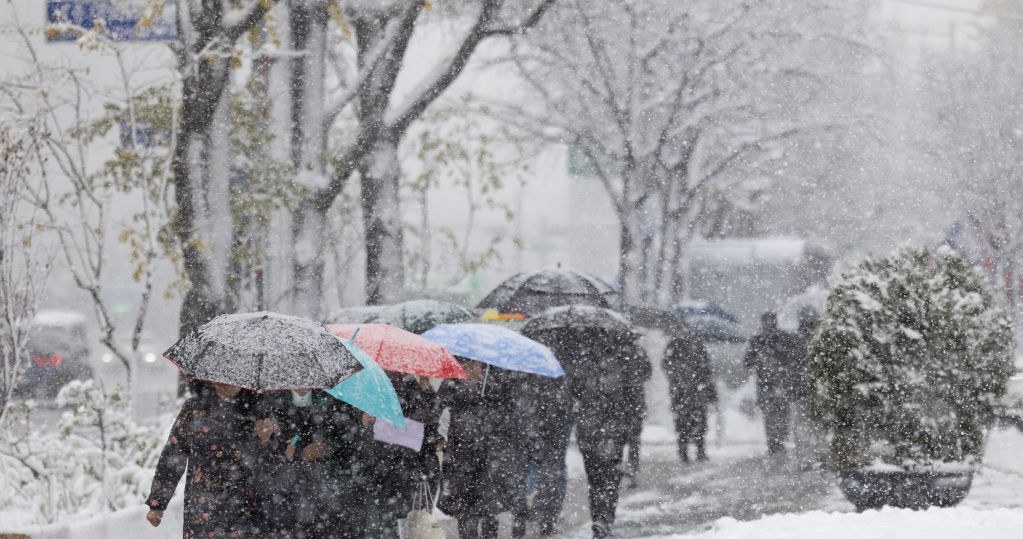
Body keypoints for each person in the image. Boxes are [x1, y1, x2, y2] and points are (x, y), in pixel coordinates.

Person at [145, 381, 262, 537]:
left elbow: (274, 461)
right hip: (202, 511)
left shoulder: (257, 411)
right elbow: (173, 455)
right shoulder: (194, 408)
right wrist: (157, 503)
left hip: (245, 510)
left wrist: (267, 438)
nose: (225, 383)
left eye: (232, 381)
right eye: (220, 377)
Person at [256, 388, 365, 538]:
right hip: (285, 500)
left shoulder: (331, 398)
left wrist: (325, 448)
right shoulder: (271, 402)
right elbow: (262, 458)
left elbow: (346, 437)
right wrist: (267, 443)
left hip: (324, 495)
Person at [437, 359, 524, 539]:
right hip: (462, 455)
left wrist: (490, 417)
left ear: (483, 365)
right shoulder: (453, 383)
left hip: (491, 455)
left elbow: (512, 414)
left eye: (473, 365)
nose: (470, 369)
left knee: (489, 508)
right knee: (466, 510)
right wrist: (437, 436)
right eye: (466, 365)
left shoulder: (498, 382)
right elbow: (437, 409)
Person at [357, 373, 443, 538]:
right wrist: (365, 422)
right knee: (384, 524)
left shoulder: (419, 391)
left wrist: (422, 467)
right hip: (383, 469)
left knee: (402, 523)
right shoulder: (373, 388)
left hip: (403, 470)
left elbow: (427, 431)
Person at [570, 329, 634, 538]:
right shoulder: (622, 360)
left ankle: (600, 517)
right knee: (609, 479)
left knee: (597, 480)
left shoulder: (581, 363)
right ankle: (604, 518)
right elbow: (633, 393)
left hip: (592, 429)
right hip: (610, 429)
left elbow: (574, 393)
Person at [743, 312, 797, 456]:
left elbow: (791, 358)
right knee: (773, 414)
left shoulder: (779, 338)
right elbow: (747, 361)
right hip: (771, 384)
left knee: (778, 414)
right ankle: (775, 442)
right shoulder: (759, 339)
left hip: (775, 383)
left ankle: (777, 441)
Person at [662, 331, 717, 463]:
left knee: (697, 422)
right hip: (683, 392)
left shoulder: (695, 346)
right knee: (684, 423)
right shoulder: (675, 346)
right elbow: (667, 365)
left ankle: (697, 450)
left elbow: (706, 370)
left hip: (693, 391)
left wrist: (709, 389)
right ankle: (685, 451)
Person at [788, 307, 826, 468]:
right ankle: (820, 455)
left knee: (801, 426)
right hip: (817, 391)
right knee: (818, 426)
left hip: (799, 391)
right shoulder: (821, 339)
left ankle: (805, 458)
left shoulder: (793, 340)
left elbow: (788, 367)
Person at [620, 335, 652, 487]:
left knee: (618, 438)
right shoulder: (639, 352)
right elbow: (648, 374)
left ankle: (619, 469)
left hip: (617, 401)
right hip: (635, 401)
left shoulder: (613, 352)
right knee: (634, 439)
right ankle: (632, 469)